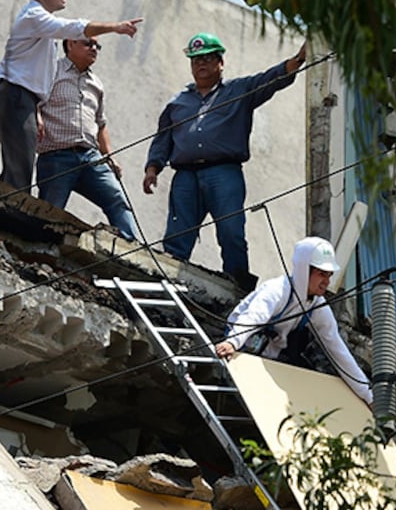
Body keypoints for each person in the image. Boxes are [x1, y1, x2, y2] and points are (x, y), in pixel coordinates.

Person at [143, 33, 306, 290]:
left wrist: (299, 59)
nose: (200, 64)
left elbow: (270, 79)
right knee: (178, 233)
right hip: (185, 174)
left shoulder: (238, 91)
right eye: (195, 60)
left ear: (221, 62)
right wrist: (152, 169)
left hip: (224, 172)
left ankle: (237, 284)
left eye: (207, 58)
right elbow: (163, 138)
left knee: (231, 231)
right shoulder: (178, 102)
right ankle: (170, 277)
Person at [0, 0, 142, 191]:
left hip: (23, 99)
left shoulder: (42, 26)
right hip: (14, 95)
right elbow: (73, 28)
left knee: (16, 167)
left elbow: (37, 76)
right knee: (19, 171)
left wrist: (37, 110)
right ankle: (3, 219)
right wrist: (116, 27)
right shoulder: (34, 15)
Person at [215, 237, 373, 407]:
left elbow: (338, 351)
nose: (326, 282)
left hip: (267, 361)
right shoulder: (277, 290)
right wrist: (233, 342)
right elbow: (254, 316)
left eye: (329, 275)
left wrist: (368, 395)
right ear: (305, 271)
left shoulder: (317, 307)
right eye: (321, 274)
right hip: (239, 352)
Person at [36, 38, 138, 239]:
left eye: (97, 46)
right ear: (70, 44)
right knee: (50, 211)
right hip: (56, 156)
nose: (94, 48)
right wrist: (36, 115)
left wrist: (110, 156)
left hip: (91, 157)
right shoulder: (50, 71)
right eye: (88, 43)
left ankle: (131, 247)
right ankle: (42, 252)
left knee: (117, 199)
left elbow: (101, 124)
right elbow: (32, 101)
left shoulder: (96, 83)